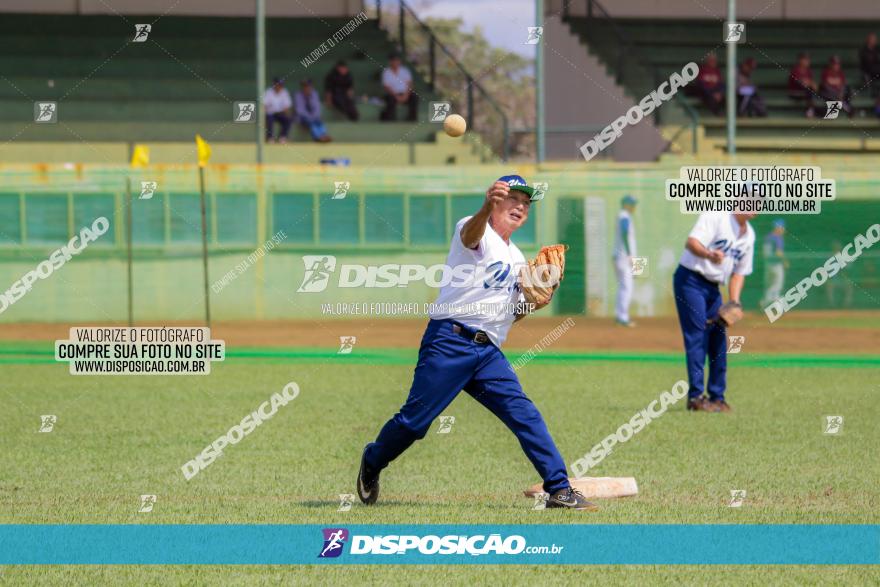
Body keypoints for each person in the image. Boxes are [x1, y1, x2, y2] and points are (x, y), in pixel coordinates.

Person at [357, 175, 599, 511]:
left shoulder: (517, 258)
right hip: (449, 341)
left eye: (526, 203)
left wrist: (533, 302)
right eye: (512, 198)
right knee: (414, 423)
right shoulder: (474, 229)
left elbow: (510, 315)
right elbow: (472, 233)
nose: (520, 206)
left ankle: (559, 489)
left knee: (525, 415)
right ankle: (373, 459)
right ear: (495, 201)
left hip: (488, 353)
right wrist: (485, 207)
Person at [673, 204, 756, 413]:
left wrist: (734, 301)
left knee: (718, 337)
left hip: (713, 287)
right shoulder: (716, 216)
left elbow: (739, 272)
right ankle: (696, 398)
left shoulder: (749, 236)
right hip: (690, 280)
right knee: (697, 335)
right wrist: (709, 254)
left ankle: (717, 397)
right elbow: (691, 243)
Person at [613, 195, 638, 327]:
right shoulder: (624, 215)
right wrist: (629, 254)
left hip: (621, 256)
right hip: (625, 257)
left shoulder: (624, 216)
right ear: (626, 204)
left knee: (623, 287)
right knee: (627, 287)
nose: (634, 207)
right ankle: (623, 317)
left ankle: (620, 315)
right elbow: (624, 231)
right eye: (632, 204)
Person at [380, 53, 418, 122]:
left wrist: (406, 95)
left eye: (397, 60)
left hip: (405, 93)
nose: (396, 62)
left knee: (414, 97)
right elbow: (386, 87)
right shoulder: (386, 72)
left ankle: (412, 119)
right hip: (392, 94)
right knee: (390, 99)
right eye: (393, 60)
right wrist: (396, 96)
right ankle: (391, 119)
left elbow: (410, 84)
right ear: (390, 61)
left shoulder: (405, 71)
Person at [760, 219, 787, 308]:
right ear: (777, 227)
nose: (783, 230)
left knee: (769, 286)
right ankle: (772, 305)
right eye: (782, 227)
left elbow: (763, 253)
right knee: (777, 286)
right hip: (776, 264)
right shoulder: (777, 238)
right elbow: (778, 253)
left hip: (767, 264)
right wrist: (784, 261)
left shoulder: (767, 237)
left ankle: (766, 304)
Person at [788, 53, 818, 118]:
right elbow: (803, 83)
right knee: (809, 90)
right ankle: (810, 111)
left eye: (808, 59)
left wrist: (811, 84)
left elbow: (814, 85)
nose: (807, 61)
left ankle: (812, 111)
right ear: (800, 60)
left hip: (806, 93)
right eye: (805, 59)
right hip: (795, 93)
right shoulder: (795, 70)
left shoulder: (808, 71)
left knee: (813, 91)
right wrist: (810, 83)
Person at [263, 77, 292, 143]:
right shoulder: (269, 92)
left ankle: (282, 137)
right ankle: (270, 138)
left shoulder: (285, 92)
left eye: (281, 85)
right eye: (278, 84)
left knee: (288, 119)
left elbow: (287, 107)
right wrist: (263, 116)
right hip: (270, 114)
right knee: (269, 119)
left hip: (280, 113)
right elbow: (264, 106)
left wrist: (287, 114)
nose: (279, 86)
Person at [858, 33, 880, 97]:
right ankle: (874, 94)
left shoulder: (877, 49)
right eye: (872, 39)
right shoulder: (863, 50)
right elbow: (865, 63)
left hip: (877, 70)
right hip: (867, 71)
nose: (873, 41)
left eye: (874, 39)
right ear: (868, 40)